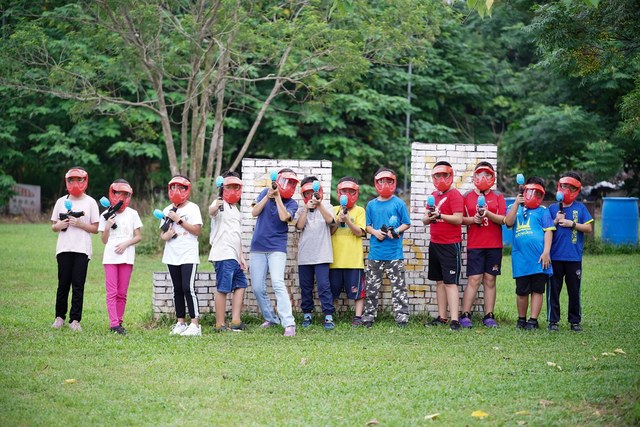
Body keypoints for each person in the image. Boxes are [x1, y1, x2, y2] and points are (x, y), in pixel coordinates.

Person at [250, 168, 299, 337]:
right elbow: (254, 212)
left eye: (293, 184)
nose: (290, 186)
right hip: (258, 246)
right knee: (257, 287)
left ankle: (289, 323)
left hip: (277, 248)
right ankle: (271, 318)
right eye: (287, 182)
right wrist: (268, 196)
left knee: (278, 283)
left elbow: (284, 217)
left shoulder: (292, 203)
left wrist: (277, 198)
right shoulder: (265, 192)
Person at [50, 167, 100, 332]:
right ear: (67, 181)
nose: (75, 183)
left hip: (82, 249)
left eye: (79, 180)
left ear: (85, 181)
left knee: (78, 285)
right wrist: (60, 224)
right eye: (71, 180)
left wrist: (80, 224)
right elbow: (53, 226)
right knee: (62, 284)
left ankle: (75, 320)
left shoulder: (90, 202)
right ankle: (59, 317)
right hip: (64, 248)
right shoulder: (61, 202)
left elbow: (95, 228)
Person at [362, 168, 411, 328]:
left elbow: (406, 223)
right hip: (375, 254)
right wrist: (376, 232)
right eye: (381, 181)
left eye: (389, 181)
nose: (385, 184)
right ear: (376, 183)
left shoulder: (399, 203)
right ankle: (368, 317)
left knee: (398, 289)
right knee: (371, 289)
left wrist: (396, 231)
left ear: (394, 182)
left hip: (395, 254)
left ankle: (402, 318)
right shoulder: (371, 205)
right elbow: (367, 226)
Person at [460, 162, 507, 328]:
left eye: (487, 175)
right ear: (474, 177)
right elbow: (460, 219)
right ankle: (465, 314)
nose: (483, 178)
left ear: (493, 177)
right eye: (480, 174)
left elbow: (504, 219)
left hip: (494, 245)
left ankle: (489, 315)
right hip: (475, 244)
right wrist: (473, 220)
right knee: (474, 279)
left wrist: (488, 214)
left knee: (490, 280)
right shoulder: (467, 196)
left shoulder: (498, 196)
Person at [504, 176, 555, 330]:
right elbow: (508, 222)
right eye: (532, 191)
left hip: (540, 259)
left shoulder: (543, 211)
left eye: (539, 194)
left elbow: (548, 232)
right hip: (520, 258)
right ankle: (521, 319)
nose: (535, 196)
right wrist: (516, 204)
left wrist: (546, 252)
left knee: (538, 290)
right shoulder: (515, 208)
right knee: (521, 291)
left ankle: (533, 320)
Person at [547, 172, 594, 332]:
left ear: (577, 189)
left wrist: (572, 224)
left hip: (573, 257)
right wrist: (555, 220)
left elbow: (588, 228)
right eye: (564, 186)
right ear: (559, 187)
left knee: (574, 291)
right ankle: (553, 321)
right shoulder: (552, 208)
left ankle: (575, 321)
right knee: (554, 289)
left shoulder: (580, 208)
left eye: (571, 187)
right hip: (555, 257)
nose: (567, 190)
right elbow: (545, 230)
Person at [422, 161, 464, 330]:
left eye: (443, 175)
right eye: (437, 175)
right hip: (435, 244)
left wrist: (441, 215)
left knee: (450, 282)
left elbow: (458, 219)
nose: (440, 179)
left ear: (450, 176)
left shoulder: (455, 195)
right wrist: (431, 216)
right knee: (439, 282)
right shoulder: (433, 195)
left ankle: (455, 319)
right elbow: (425, 220)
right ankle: (442, 317)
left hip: (450, 245)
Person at [160, 175, 203, 337]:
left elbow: (197, 231)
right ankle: (180, 322)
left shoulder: (193, 208)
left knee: (187, 288)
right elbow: (163, 235)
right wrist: (168, 235)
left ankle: (195, 325)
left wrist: (179, 220)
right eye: (173, 187)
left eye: (181, 187)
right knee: (177, 289)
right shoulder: (166, 210)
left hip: (188, 255)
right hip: (171, 255)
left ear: (187, 189)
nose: (176, 191)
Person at [98, 179, 142, 335]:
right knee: (112, 292)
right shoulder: (105, 214)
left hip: (127, 256)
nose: (121, 197)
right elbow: (104, 240)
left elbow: (138, 236)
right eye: (118, 193)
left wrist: (125, 244)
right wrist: (107, 227)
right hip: (110, 257)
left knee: (122, 293)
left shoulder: (133, 214)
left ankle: (120, 321)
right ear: (112, 193)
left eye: (125, 194)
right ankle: (113, 324)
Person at [208, 171, 248, 332]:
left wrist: (241, 256)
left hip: (234, 256)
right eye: (229, 186)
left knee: (241, 285)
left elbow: (236, 235)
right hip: (223, 253)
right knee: (223, 288)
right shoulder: (220, 204)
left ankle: (236, 321)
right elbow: (212, 211)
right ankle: (220, 324)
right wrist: (215, 205)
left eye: (236, 187)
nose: (233, 190)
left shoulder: (235, 209)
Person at [295, 176, 336, 330]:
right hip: (305, 256)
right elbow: (299, 226)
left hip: (322, 255)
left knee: (324, 286)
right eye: (307, 193)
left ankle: (328, 316)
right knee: (306, 287)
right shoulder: (301, 209)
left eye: (313, 192)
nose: (310, 196)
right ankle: (307, 314)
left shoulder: (327, 206)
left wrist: (319, 205)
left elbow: (331, 221)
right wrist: (306, 207)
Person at [330, 177, 366, 326]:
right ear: (338, 193)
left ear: (356, 193)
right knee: (332, 290)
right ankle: (329, 315)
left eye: (351, 192)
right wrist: (338, 220)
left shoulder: (360, 211)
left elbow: (360, 232)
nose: (347, 195)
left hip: (353, 260)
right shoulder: (332, 210)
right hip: (335, 259)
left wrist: (348, 221)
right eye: (344, 192)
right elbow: (330, 231)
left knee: (358, 292)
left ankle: (357, 317)